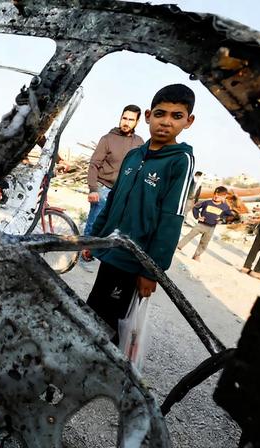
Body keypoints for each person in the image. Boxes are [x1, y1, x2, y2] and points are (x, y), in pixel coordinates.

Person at [85, 84, 196, 338]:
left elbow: (172, 220)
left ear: (188, 121)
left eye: (176, 116)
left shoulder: (181, 161)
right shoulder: (134, 155)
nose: (166, 122)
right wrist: (95, 238)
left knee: (111, 327)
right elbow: (112, 201)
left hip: (134, 261)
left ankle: (102, 369)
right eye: (160, 114)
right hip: (111, 250)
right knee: (92, 310)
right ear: (148, 116)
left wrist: (151, 270)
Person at [81, 105, 145, 261]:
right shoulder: (108, 139)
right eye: (124, 118)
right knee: (94, 223)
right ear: (120, 118)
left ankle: (99, 253)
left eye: (131, 119)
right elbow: (94, 164)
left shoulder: (140, 142)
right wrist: (93, 189)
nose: (126, 122)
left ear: (137, 122)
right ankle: (85, 255)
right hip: (103, 188)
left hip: (123, 192)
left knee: (113, 226)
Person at [177, 186, 232, 261]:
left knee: (204, 242)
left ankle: (197, 255)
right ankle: (179, 247)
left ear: (224, 196)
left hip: (211, 228)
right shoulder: (207, 202)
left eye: (219, 195)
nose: (216, 196)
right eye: (215, 194)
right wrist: (197, 217)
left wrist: (222, 219)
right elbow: (195, 208)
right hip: (200, 225)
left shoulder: (225, 207)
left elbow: (229, 215)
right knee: (190, 235)